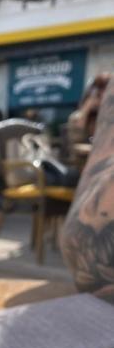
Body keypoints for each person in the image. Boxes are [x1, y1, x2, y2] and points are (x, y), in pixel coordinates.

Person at [60, 75, 114, 300]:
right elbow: (75, 135)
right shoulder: (84, 116)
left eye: (104, 91)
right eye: (98, 91)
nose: (102, 95)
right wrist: (90, 107)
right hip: (77, 169)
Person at [66, 73, 111, 162]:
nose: (102, 95)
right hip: (84, 164)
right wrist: (87, 107)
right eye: (99, 90)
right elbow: (75, 141)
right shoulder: (79, 116)